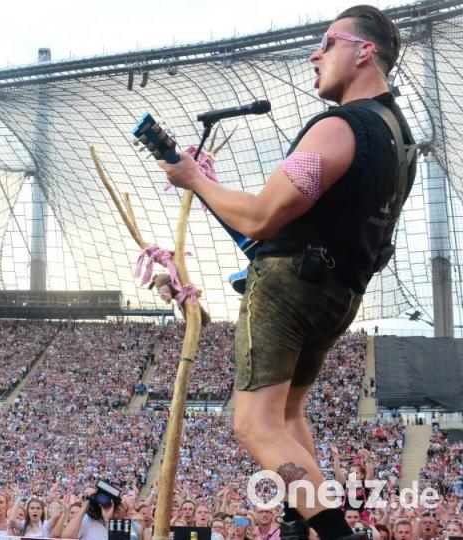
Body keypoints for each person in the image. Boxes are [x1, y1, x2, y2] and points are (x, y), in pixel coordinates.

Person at [158, 5, 414, 540]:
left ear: (364, 50)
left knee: (254, 424)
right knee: (291, 416)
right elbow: (285, 221)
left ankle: (338, 536)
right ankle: (303, 527)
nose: (314, 54)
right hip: (339, 295)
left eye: (328, 42)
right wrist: (212, 186)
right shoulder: (399, 137)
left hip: (289, 290)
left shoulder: (342, 127)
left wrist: (192, 180)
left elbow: (259, 216)